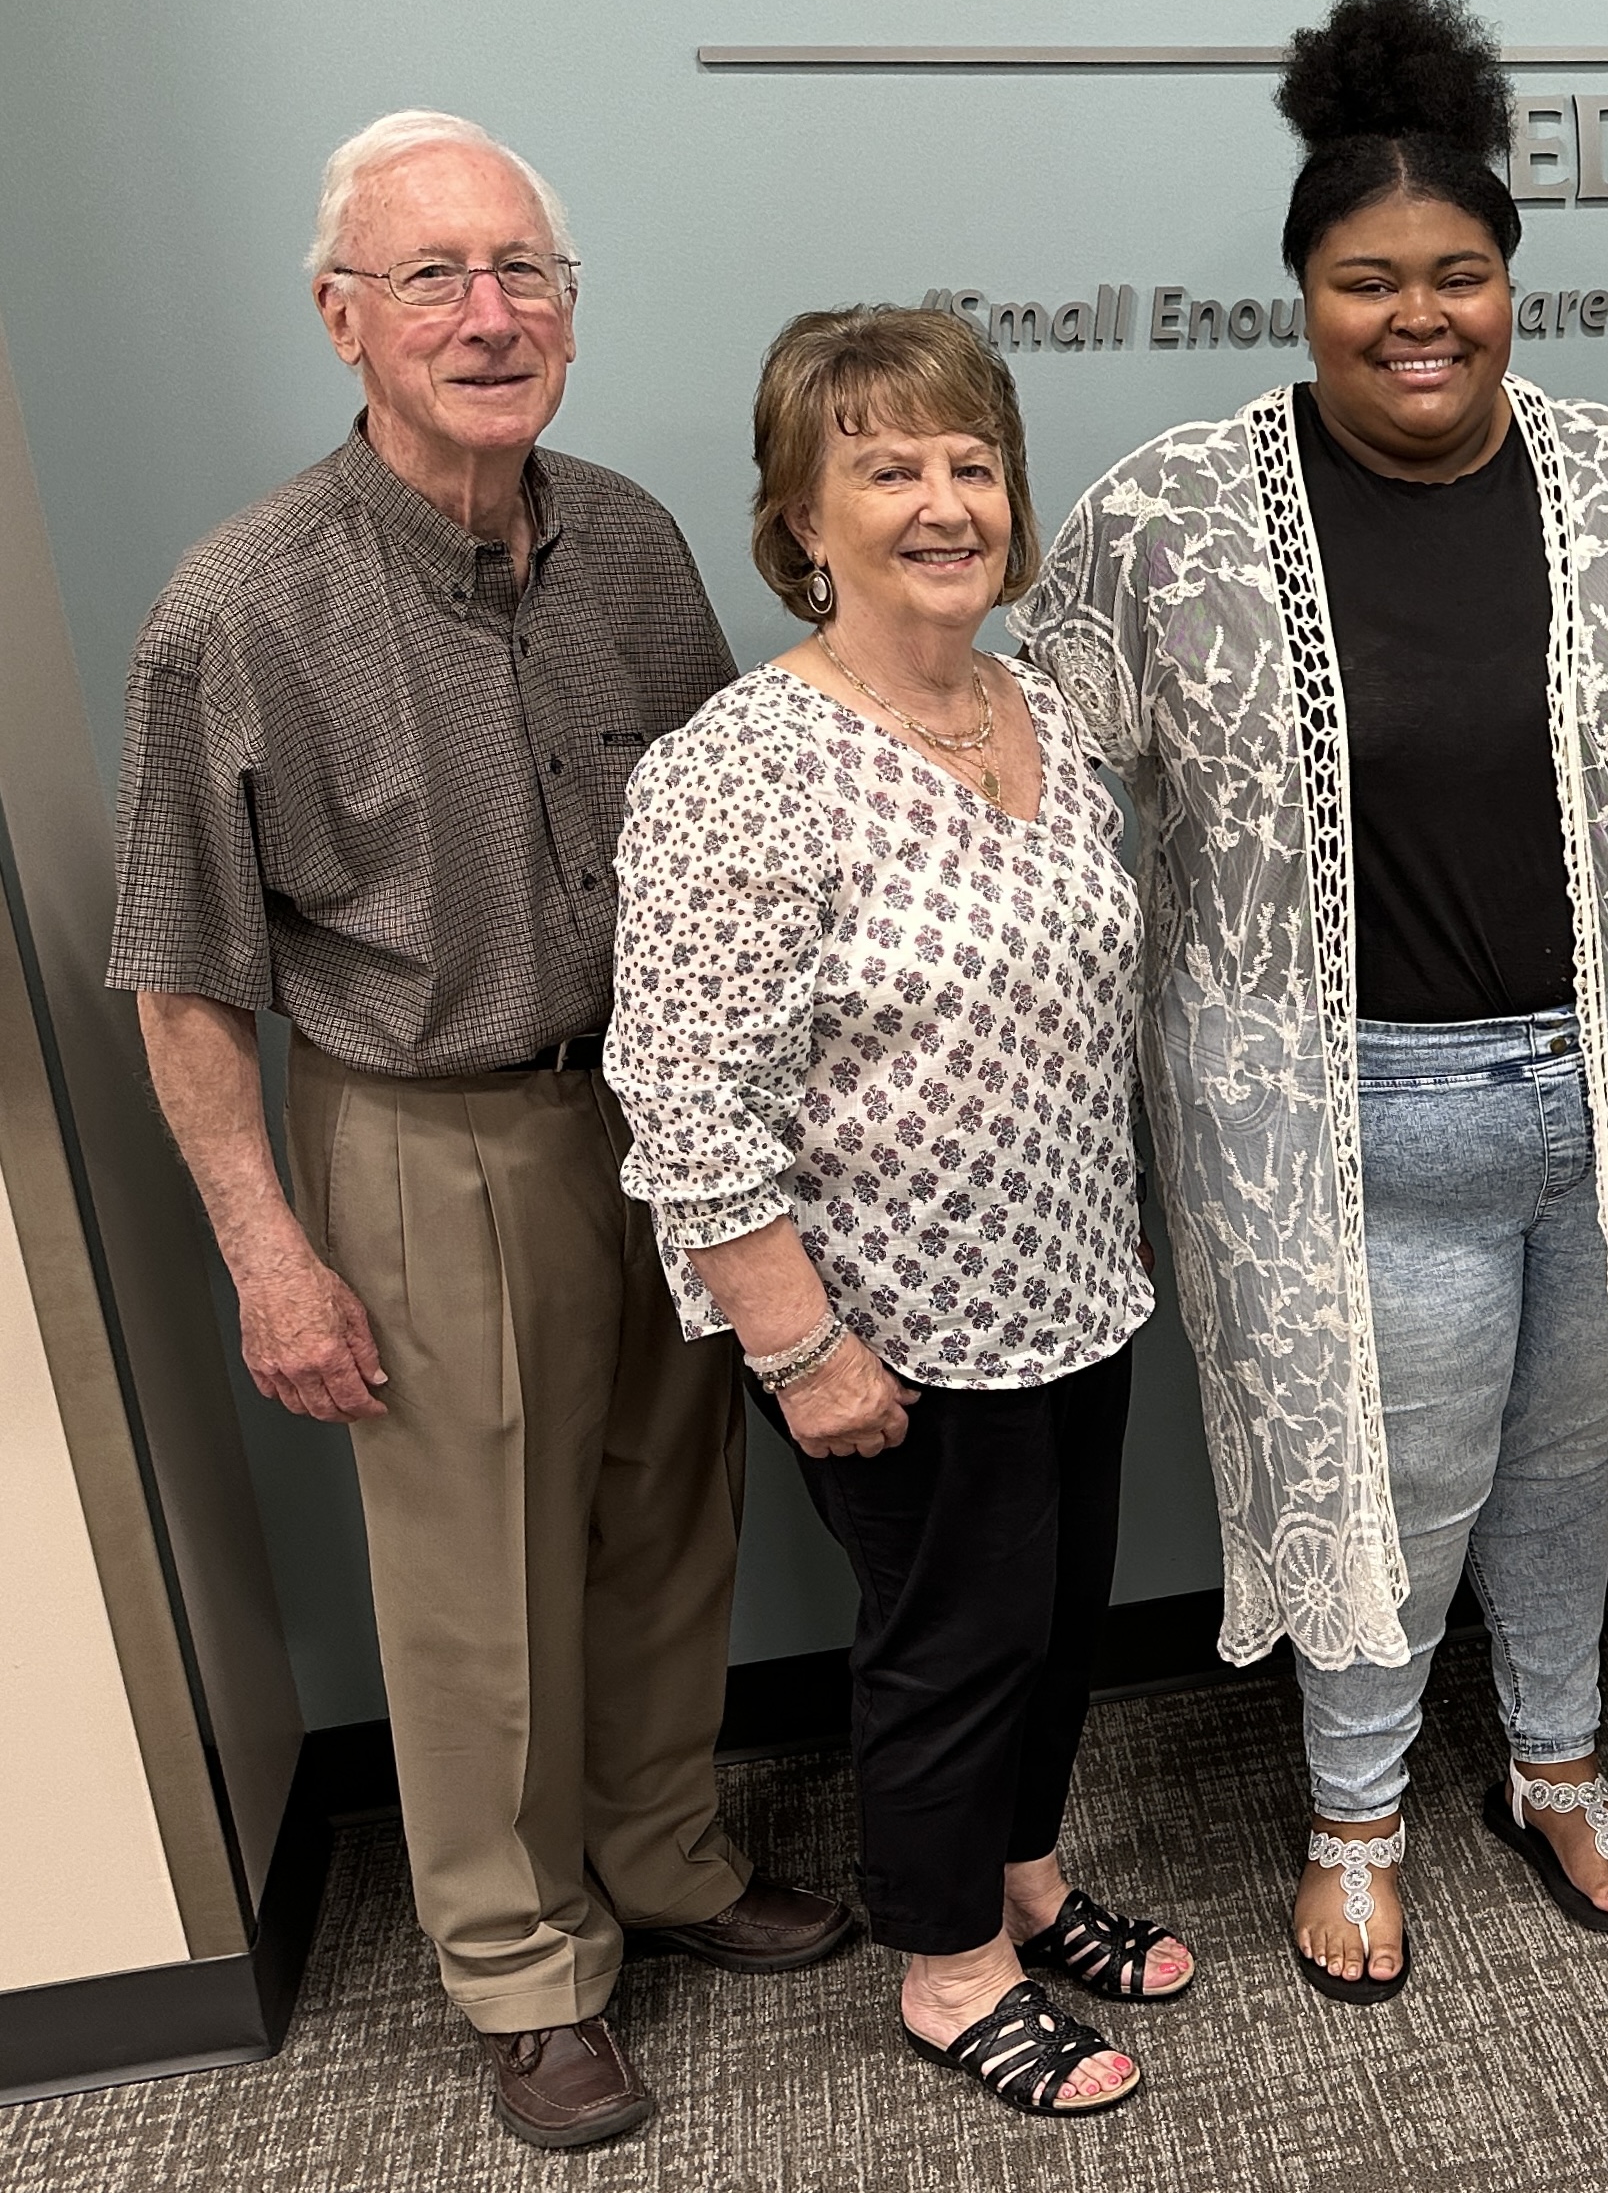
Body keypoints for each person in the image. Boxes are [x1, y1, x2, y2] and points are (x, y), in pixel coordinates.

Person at [1022, 0, 1608, 1999]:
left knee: (1564, 1467)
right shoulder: (1179, 517)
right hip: (1345, 1111)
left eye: (1460, 275)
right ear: (1305, 292)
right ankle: (1356, 1820)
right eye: (1370, 281)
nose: (1418, 315)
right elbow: (1036, 764)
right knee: (1386, 1479)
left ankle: (1555, 1763)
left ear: (1511, 283)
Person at [108, 112, 847, 2152]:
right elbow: (185, 974)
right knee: (474, 1590)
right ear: (342, 317)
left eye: (523, 272)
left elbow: (731, 846)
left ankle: (672, 1862)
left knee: (664, 1521)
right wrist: (272, 1253)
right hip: (422, 1140)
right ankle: (525, 1968)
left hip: (653, 1122)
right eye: (432, 276)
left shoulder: (627, 542)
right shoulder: (236, 608)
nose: (488, 313)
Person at [605, 307, 1180, 2116]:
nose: (945, 504)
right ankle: (949, 1972)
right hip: (894, 1329)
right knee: (947, 1652)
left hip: (1074, 1286)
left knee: (1057, 1617)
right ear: (801, 516)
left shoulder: (1045, 707)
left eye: (971, 463)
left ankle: (1020, 1883)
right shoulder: (740, 767)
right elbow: (681, 1092)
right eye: (889, 469)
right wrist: (799, 1347)